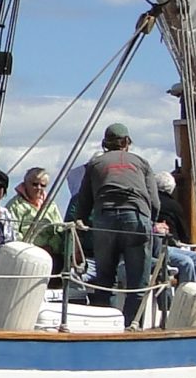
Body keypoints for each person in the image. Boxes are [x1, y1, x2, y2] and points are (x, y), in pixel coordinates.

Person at [67, 122, 159, 325]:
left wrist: (79, 231)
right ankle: (131, 325)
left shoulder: (95, 164)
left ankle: (105, 325)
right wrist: (149, 222)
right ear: (127, 142)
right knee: (138, 281)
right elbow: (154, 202)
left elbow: (84, 202)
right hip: (136, 218)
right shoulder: (142, 163)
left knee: (105, 278)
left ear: (105, 143)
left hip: (104, 219)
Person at [6, 166, 68, 271]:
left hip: (52, 255)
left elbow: (59, 229)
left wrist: (52, 247)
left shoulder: (51, 205)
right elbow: (12, 233)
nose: (39, 188)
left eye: (42, 185)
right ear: (25, 184)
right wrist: (35, 249)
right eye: (35, 184)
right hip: (26, 256)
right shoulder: (15, 206)